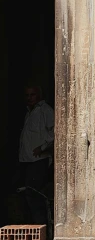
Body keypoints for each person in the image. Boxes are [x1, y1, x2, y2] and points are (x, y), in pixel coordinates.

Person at [18, 85, 54, 225]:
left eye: (32, 95)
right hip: (27, 159)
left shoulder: (45, 111)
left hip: (39, 160)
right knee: (27, 195)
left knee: (35, 195)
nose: (29, 98)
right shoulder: (29, 112)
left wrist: (43, 147)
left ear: (39, 95)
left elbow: (56, 130)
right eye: (27, 95)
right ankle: (33, 227)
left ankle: (41, 227)